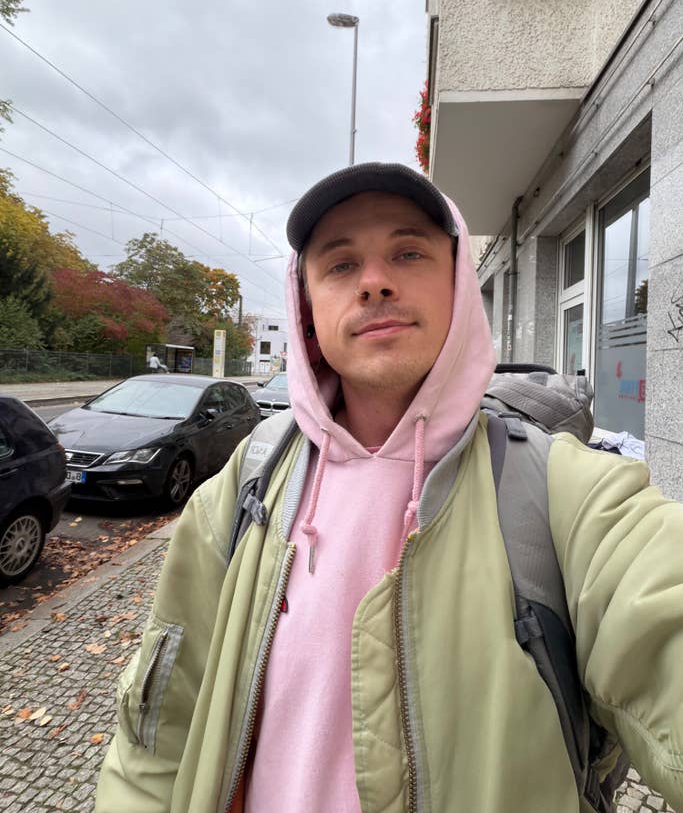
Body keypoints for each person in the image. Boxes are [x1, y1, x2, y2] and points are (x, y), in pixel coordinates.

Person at [95, 163, 683, 813]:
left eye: (408, 253)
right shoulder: (242, 487)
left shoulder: (564, 494)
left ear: (459, 288)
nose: (374, 282)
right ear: (308, 312)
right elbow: (156, 730)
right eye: (340, 265)